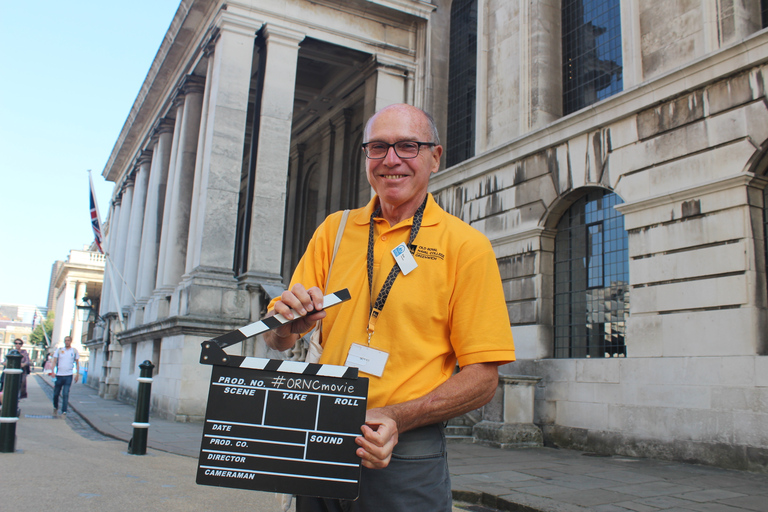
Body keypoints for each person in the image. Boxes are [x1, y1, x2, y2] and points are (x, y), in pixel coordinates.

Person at [265, 103, 516, 511]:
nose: (391, 160)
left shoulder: (465, 247)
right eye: (378, 147)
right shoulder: (335, 229)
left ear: (435, 157)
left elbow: (483, 378)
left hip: (406, 454)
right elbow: (278, 339)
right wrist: (284, 325)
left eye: (407, 146)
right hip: (322, 436)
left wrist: (399, 416)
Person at [51, 336, 79, 417]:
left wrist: (77, 374)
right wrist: (52, 371)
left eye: (68, 340)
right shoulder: (59, 350)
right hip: (59, 375)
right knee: (56, 393)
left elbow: (77, 363)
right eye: (65, 340)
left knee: (65, 393)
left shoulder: (74, 351)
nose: (66, 342)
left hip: (68, 375)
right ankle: (55, 407)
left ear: (71, 341)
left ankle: (64, 411)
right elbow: (54, 361)